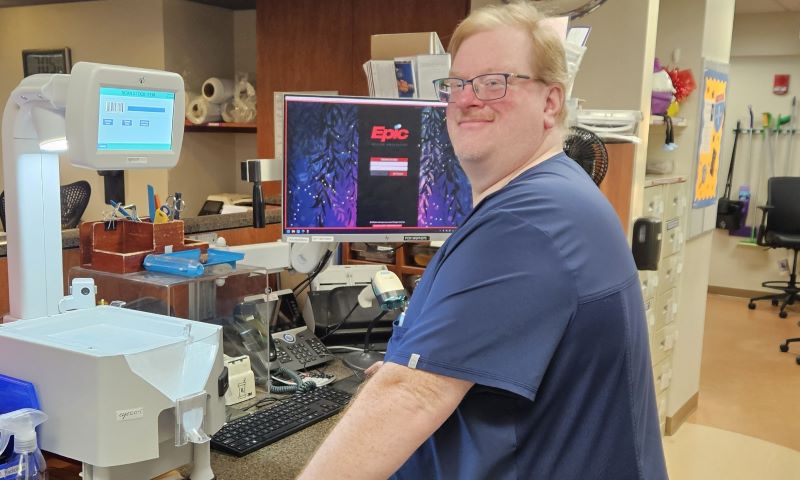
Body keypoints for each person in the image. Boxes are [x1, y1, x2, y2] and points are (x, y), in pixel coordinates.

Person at [300, 1, 668, 478]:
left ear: (551, 102)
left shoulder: (525, 225)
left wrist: (409, 380)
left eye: (495, 82)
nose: (467, 99)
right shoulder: (555, 194)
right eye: (457, 84)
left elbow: (411, 397)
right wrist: (415, 365)